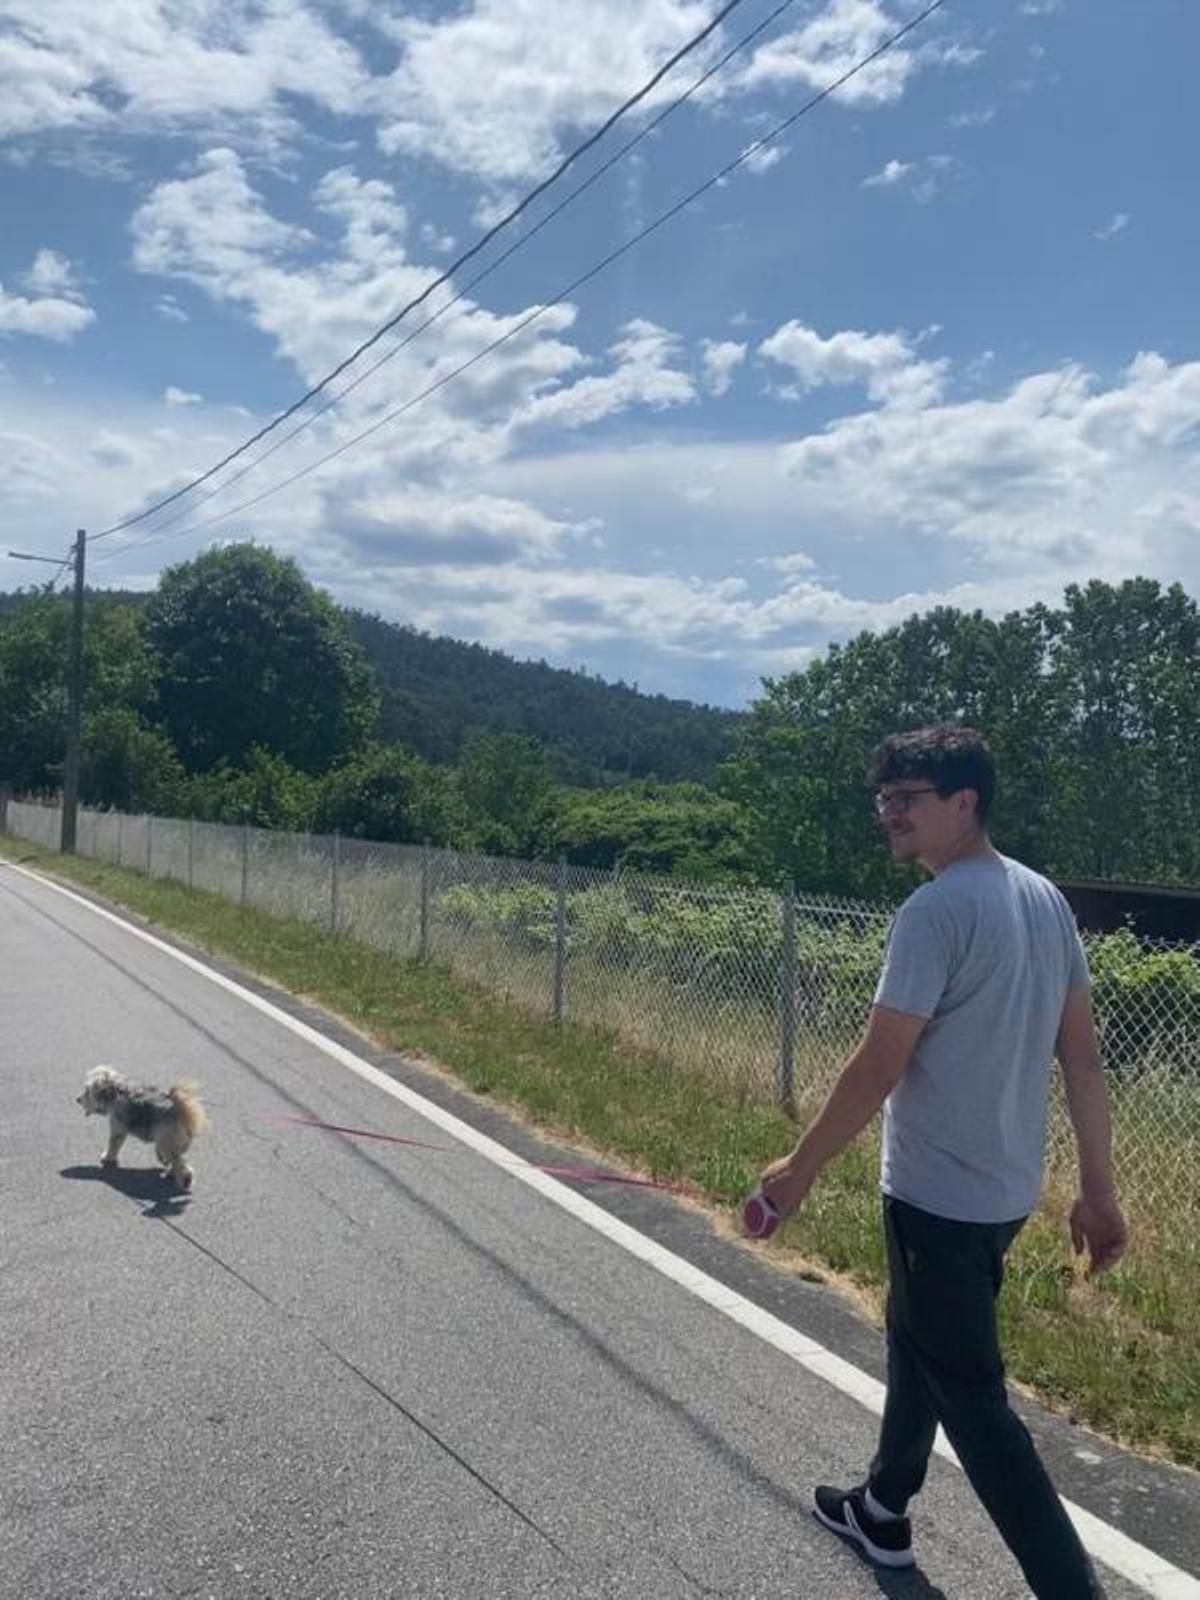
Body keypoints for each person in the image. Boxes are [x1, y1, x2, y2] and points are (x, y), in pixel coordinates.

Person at [757, 725, 1127, 1598]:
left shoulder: (936, 911)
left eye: (908, 798)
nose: (889, 814)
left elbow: (881, 1063)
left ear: (965, 801)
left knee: (975, 1403)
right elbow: (1083, 1058)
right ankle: (883, 1508)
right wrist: (1098, 1194)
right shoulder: (1043, 899)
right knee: (915, 1334)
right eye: (883, 798)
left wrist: (798, 1168)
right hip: (1002, 1194)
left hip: (937, 1198)